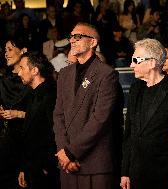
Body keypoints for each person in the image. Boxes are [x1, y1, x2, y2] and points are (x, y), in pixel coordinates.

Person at [53, 22, 122, 189]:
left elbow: (100, 119)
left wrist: (71, 152)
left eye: (78, 36)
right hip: (67, 164)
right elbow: (58, 115)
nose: (72, 40)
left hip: (94, 164)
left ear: (93, 42)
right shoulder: (64, 74)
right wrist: (63, 152)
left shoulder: (107, 74)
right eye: (71, 37)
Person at [120, 38, 168, 189]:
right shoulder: (135, 89)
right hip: (136, 173)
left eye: (136, 60)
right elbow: (129, 134)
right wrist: (125, 171)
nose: (131, 64)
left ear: (152, 63)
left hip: (165, 174)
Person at [17, 51, 60, 189]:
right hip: (32, 169)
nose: (19, 73)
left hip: (46, 171)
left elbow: (56, 132)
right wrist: (24, 168)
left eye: (22, 68)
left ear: (35, 70)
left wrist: (47, 166)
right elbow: (29, 136)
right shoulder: (32, 95)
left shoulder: (50, 95)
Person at [0, 38, 32, 189]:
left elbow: (43, 116)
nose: (6, 53)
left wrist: (19, 114)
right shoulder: (3, 80)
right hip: (7, 146)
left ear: (23, 50)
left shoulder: (33, 80)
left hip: (27, 146)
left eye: (10, 49)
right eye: (5, 50)